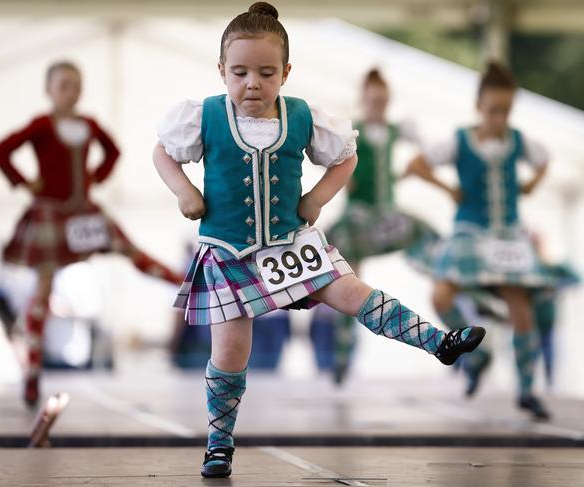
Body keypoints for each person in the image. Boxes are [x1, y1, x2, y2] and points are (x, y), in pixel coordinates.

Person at [153, 3, 485, 478]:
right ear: (221, 70)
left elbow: (344, 158)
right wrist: (184, 190)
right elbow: (163, 152)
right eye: (241, 72)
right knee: (229, 352)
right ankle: (219, 444)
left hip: (292, 244)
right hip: (229, 250)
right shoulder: (202, 116)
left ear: (286, 73)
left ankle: (438, 342)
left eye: (266, 73)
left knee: (353, 292)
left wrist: (317, 198)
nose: (253, 83)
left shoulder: (305, 117)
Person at [0, 61, 183, 407]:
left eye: (76, 85)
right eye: (63, 85)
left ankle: (188, 283)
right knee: (43, 291)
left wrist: (96, 177)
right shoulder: (41, 125)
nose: (71, 92)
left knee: (131, 252)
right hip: (49, 212)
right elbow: (0, 151)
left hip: (83, 212)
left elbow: (114, 151)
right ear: (49, 90)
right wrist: (24, 182)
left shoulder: (88, 125)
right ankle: (32, 371)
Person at [406, 61, 554, 420]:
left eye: (506, 111)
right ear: (479, 107)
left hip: (506, 233)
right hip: (470, 230)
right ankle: (475, 354)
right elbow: (417, 164)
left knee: (520, 303)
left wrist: (532, 184)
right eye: (493, 110)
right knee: (441, 295)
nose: (500, 118)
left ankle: (526, 388)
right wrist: (448, 188)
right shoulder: (460, 140)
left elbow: (544, 159)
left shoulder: (518, 141)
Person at [325, 68, 437, 384]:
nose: (378, 105)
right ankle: (343, 352)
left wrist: (404, 175)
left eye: (382, 100)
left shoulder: (394, 130)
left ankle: (441, 277)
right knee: (348, 283)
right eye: (373, 99)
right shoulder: (352, 131)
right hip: (359, 217)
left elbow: (427, 150)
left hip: (385, 214)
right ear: (363, 98)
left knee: (425, 232)